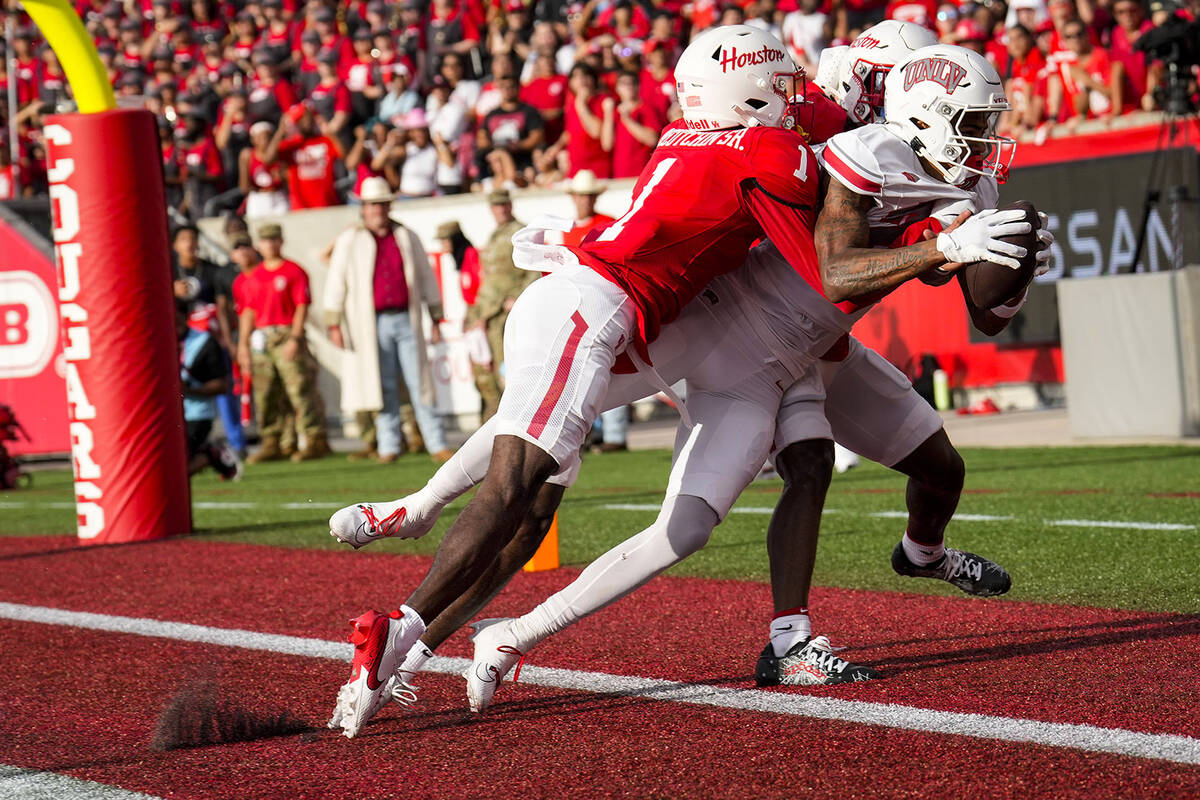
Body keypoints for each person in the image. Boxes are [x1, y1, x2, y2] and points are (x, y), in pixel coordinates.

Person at [331, 43, 1044, 713]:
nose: (989, 140)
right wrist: (945, 244)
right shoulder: (861, 147)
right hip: (707, 322)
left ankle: (514, 633)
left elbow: (984, 308)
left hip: (776, 362)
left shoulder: (948, 177)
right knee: (540, 442)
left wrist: (1012, 265)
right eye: (977, 124)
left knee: (688, 526)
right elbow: (828, 267)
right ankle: (420, 519)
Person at [323, 177, 452, 465]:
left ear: (388, 206)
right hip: (370, 323)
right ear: (363, 208)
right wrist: (334, 322)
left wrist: (435, 313)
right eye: (372, 205)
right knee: (382, 386)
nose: (377, 210)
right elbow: (336, 282)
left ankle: (436, 442)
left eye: (381, 204)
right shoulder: (350, 238)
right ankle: (389, 443)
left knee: (420, 382)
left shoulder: (406, 236)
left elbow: (425, 276)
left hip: (406, 317)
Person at [236, 223, 329, 464]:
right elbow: (248, 311)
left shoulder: (293, 271)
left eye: (274, 240)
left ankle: (314, 438)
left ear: (281, 242)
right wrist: (243, 344)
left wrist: (296, 338)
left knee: (299, 390)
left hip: (286, 334)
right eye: (265, 241)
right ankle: (273, 440)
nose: (270, 245)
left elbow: (301, 305)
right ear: (259, 245)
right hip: (262, 338)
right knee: (266, 393)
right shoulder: (253, 277)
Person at [463, 188, 537, 422]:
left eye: (504, 204)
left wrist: (518, 297)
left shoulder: (521, 232)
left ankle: (516, 422)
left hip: (508, 313)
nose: (501, 209)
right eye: (496, 205)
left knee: (510, 371)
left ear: (510, 206)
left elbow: (533, 268)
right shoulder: (495, 235)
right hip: (490, 312)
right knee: (489, 372)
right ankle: (496, 423)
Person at [176, 300, 242, 481]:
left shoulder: (203, 342)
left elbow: (221, 385)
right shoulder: (153, 341)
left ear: (183, 316)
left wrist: (188, 390)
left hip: (196, 414)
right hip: (166, 415)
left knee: (175, 474)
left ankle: (212, 454)